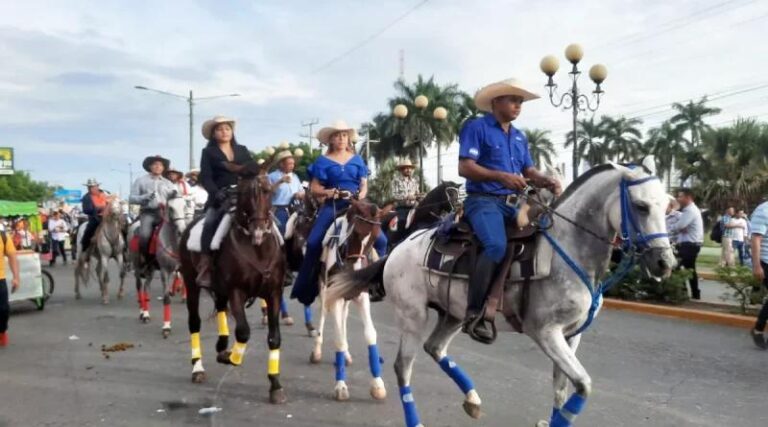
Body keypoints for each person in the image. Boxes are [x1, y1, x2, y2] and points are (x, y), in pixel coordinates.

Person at [458, 78, 561, 343]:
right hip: (483, 201)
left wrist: (546, 179)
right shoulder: (477, 127)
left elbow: (528, 170)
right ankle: (474, 312)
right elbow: (465, 167)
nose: (518, 105)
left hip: (514, 205)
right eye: (513, 100)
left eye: (521, 101)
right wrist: (501, 177)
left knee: (548, 233)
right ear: (496, 102)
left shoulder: (519, 136)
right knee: (495, 246)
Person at [291, 120, 388, 305]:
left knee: (381, 240)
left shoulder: (357, 159)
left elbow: (364, 185)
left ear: (348, 138)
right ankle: (308, 286)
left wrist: (361, 195)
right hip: (333, 205)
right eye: (337, 136)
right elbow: (314, 188)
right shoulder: (322, 161)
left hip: (358, 204)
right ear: (330, 140)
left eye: (344, 135)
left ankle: (377, 282)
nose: (341, 139)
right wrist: (329, 192)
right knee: (313, 242)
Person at [197, 116, 252, 287]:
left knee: (268, 219)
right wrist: (216, 192)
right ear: (213, 134)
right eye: (219, 129)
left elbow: (251, 171)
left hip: (243, 195)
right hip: (220, 196)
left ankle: (281, 262)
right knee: (210, 222)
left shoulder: (242, 150)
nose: (224, 132)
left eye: (227, 128)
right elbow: (206, 177)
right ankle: (205, 264)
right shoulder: (208, 153)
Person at [129, 155, 175, 266]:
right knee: (145, 235)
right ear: (150, 166)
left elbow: (175, 198)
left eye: (160, 165)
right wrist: (145, 197)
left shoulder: (168, 183)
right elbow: (131, 198)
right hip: (148, 213)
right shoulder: (141, 181)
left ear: (163, 168)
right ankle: (145, 260)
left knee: (178, 232)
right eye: (155, 164)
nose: (158, 167)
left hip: (165, 214)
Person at [668, 188, 704, 300]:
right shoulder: (690, 210)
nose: (678, 199)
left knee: (675, 266)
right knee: (690, 270)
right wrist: (680, 227)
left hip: (689, 245)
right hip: (690, 244)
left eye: (680, 196)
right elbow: (682, 227)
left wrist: (672, 228)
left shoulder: (690, 211)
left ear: (688, 198)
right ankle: (695, 293)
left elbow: (680, 226)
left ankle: (682, 292)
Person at [269, 150, 305, 235]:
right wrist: (280, 181)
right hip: (279, 209)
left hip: (296, 208)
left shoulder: (295, 176)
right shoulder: (272, 176)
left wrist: (300, 194)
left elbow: (302, 191)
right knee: (281, 231)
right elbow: (268, 192)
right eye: (289, 164)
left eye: (293, 163)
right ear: (281, 164)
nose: (292, 166)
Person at [749, 200, 768, 349]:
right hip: (766, 261)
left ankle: (758, 328)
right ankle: (758, 329)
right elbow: (756, 238)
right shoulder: (764, 210)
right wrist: (756, 266)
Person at [0, 224, 20, 347]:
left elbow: (12, 257)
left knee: (3, 309)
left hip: (0, 279)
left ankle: (2, 330)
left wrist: (16, 277)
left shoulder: (3, 236)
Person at [391, 158, 420, 231]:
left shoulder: (414, 181)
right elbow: (393, 195)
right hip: (402, 208)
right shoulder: (396, 181)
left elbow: (417, 193)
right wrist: (407, 197)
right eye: (406, 168)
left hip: (413, 208)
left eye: (410, 168)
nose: (408, 170)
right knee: (402, 222)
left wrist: (420, 196)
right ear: (401, 170)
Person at [80, 178, 107, 253]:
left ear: (97, 186)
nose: (91, 188)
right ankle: (85, 248)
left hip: (107, 217)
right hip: (95, 218)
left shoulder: (105, 194)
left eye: (93, 186)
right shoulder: (86, 197)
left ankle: (125, 248)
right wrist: (97, 209)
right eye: (89, 187)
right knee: (89, 230)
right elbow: (86, 210)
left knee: (121, 226)